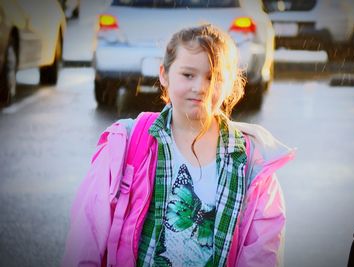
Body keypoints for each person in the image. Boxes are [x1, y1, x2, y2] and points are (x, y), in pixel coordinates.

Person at [62, 24, 295, 267]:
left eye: (213, 77)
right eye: (188, 75)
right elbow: (86, 234)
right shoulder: (126, 143)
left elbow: (263, 253)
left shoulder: (251, 164)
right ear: (164, 74)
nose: (200, 88)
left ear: (230, 84)